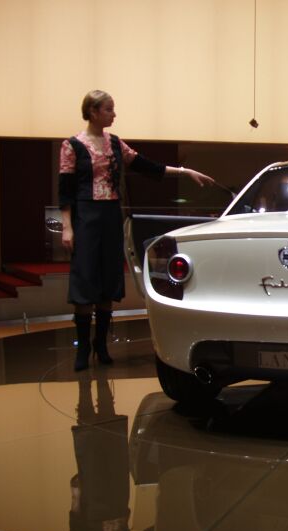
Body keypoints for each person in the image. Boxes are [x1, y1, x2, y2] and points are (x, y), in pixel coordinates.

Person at [60, 89, 213, 371]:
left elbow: (147, 167)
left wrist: (184, 172)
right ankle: (83, 349)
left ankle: (101, 346)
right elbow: (66, 190)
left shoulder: (116, 144)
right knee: (84, 280)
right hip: (85, 215)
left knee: (108, 279)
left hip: (110, 214)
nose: (114, 114)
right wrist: (67, 227)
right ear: (93, 112)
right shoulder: (73, 145)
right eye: (109, 109)